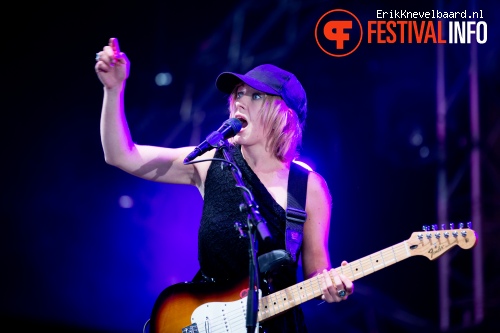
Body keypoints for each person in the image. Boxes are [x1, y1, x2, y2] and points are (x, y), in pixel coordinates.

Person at [95, 37, 354, 332]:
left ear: (284, 114)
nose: (240, 100)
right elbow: (121, 155)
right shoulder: (211, 163)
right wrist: (113, 90)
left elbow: (317, 270)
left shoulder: (308, 188)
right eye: (238, 94)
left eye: (255, 96)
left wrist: (333, 285)